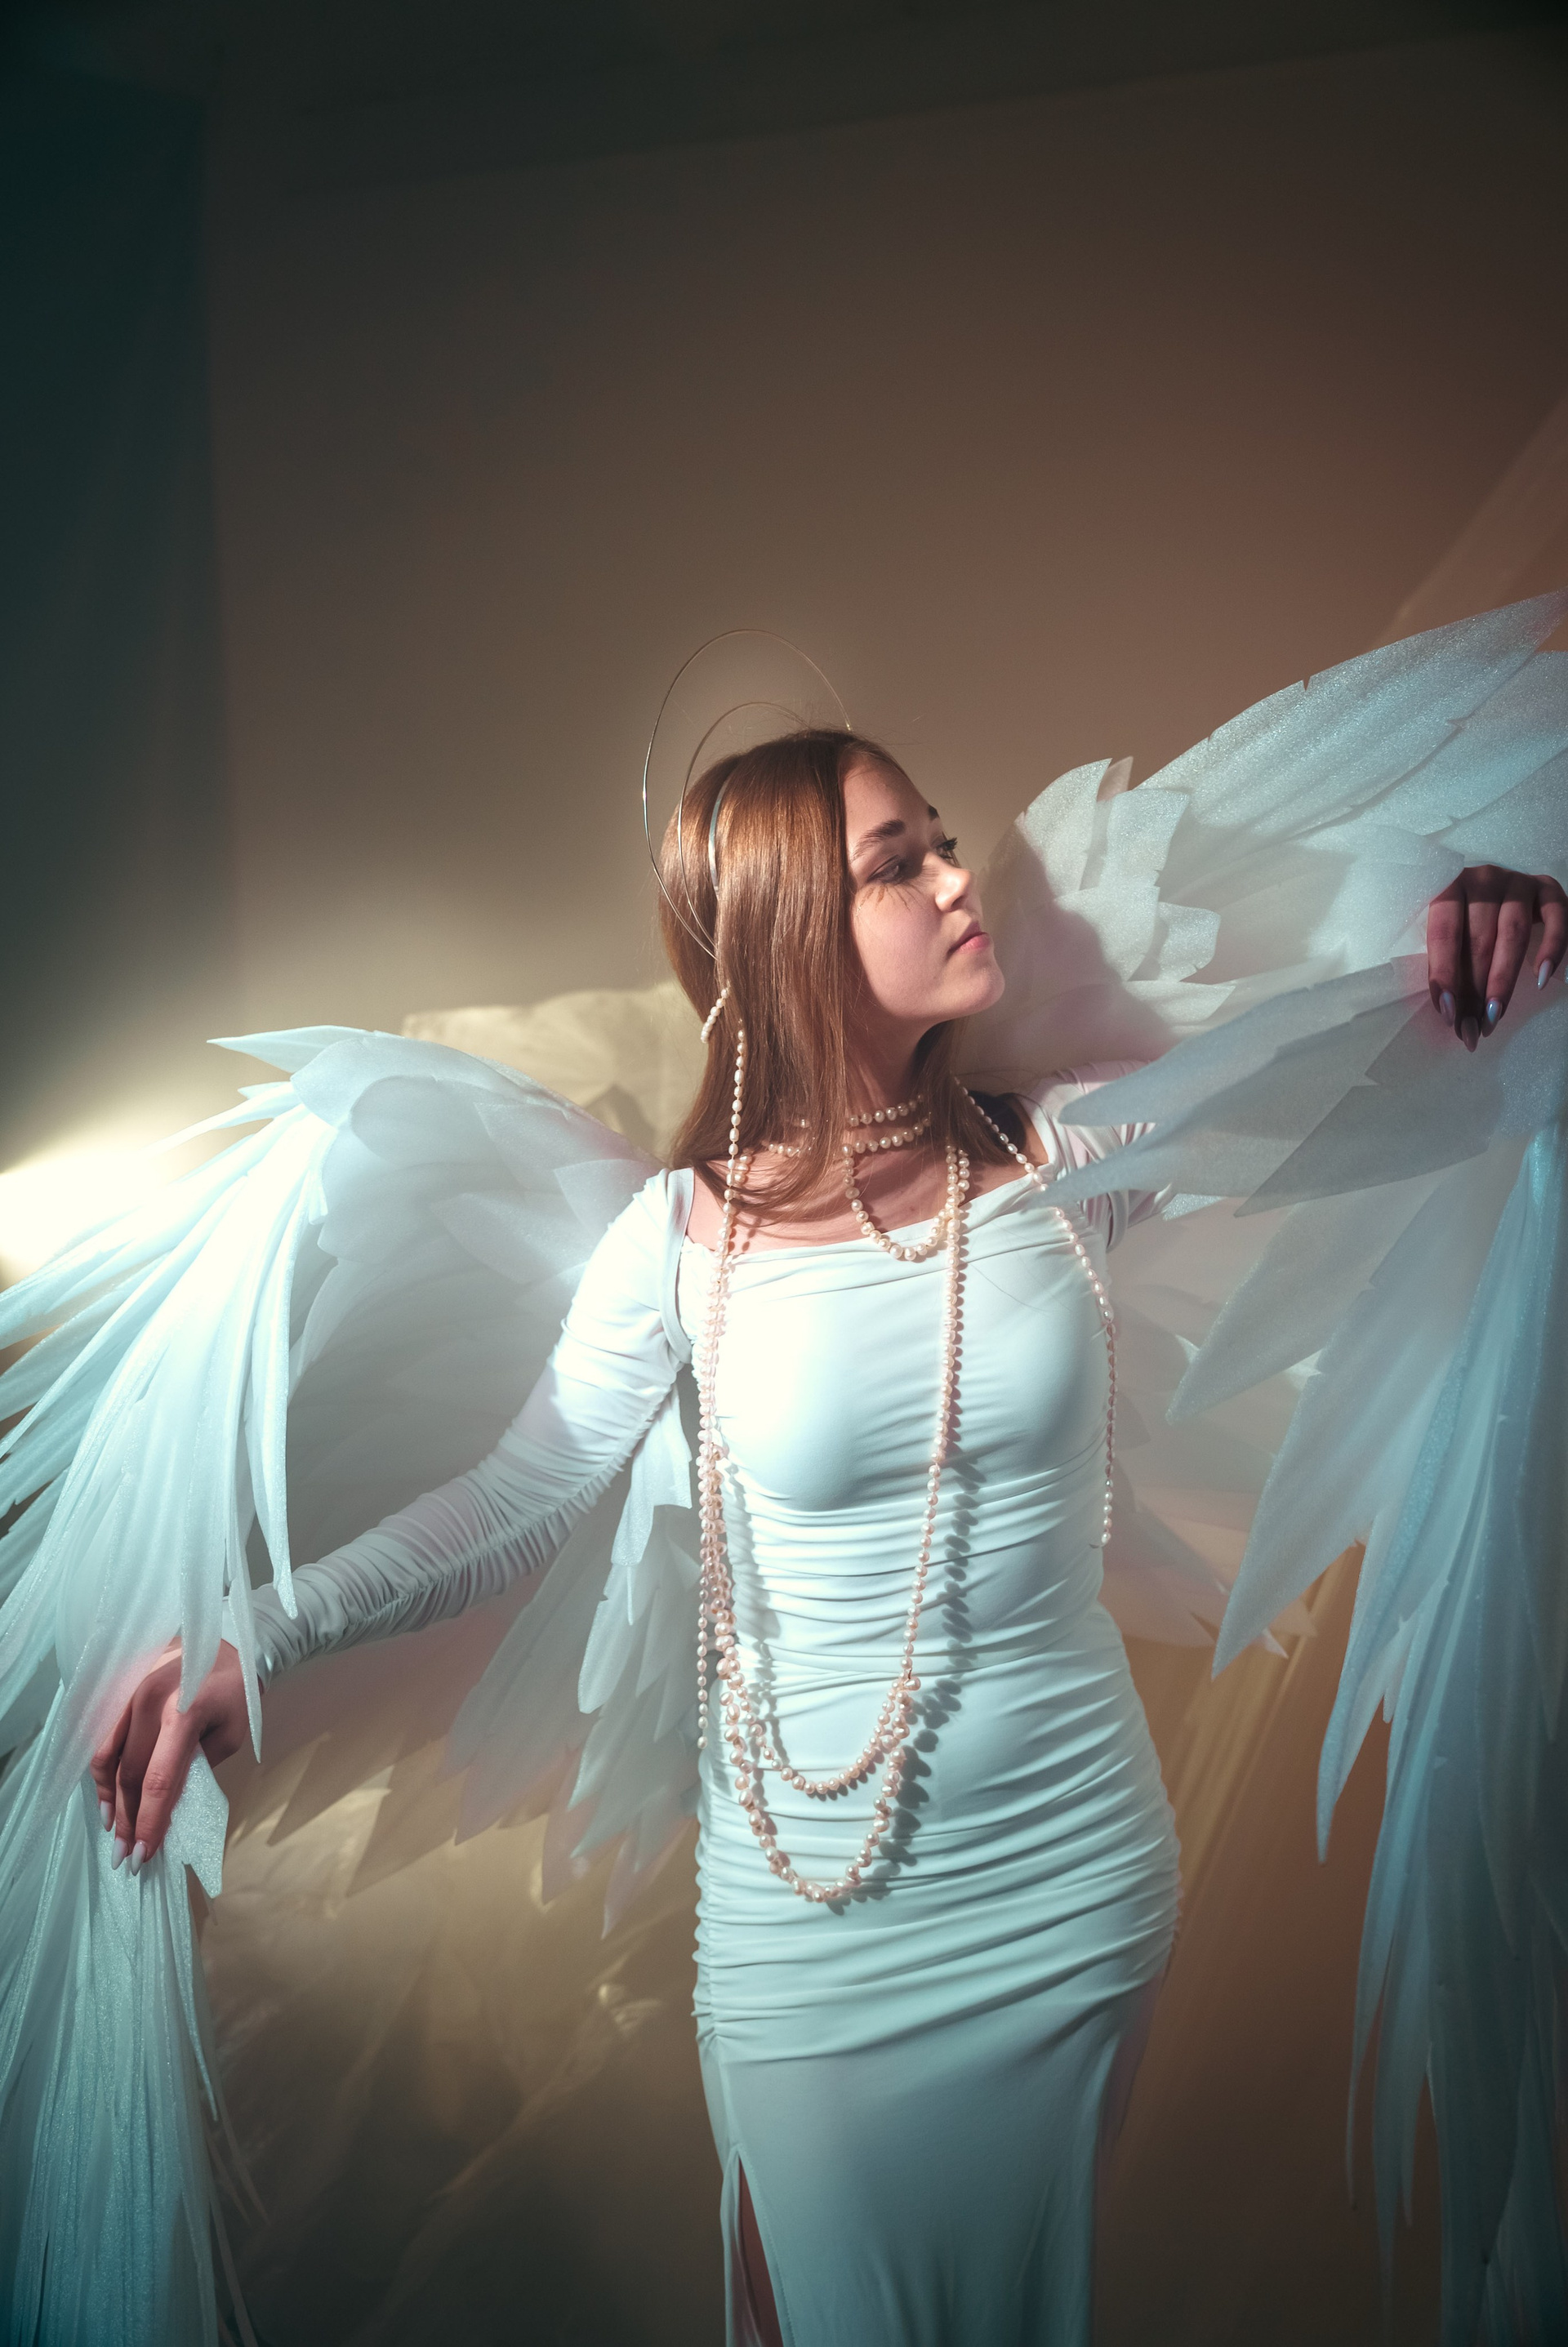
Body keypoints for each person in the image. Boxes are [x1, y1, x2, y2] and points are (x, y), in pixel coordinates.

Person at [5, 599, 1568, 2347]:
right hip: (812, 1921)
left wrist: (1487, 921)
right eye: (901, 864)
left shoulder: (1076, 1157)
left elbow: (1381, 1067)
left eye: (941, 844)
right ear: (788, 937)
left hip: (1068, 1878)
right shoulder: (678, 1245)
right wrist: (261, 1634)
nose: (960, 879)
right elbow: (518, 1498)